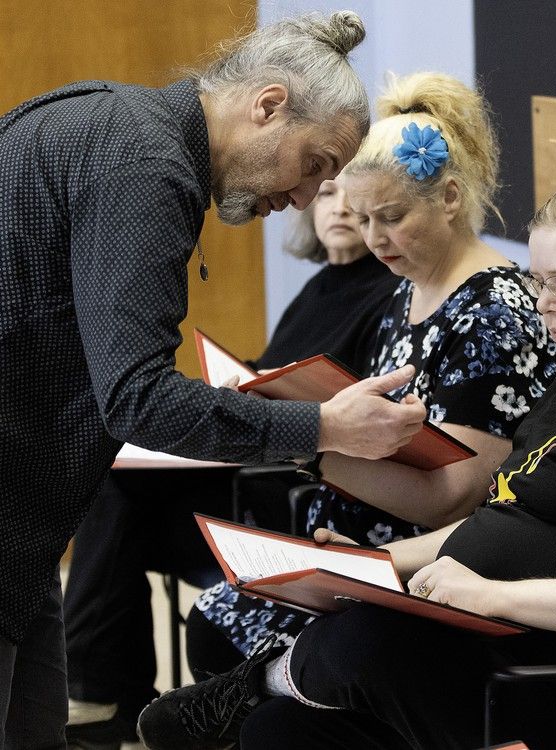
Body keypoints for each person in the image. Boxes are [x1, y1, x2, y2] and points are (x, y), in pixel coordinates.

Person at [136, 172, 556, 750]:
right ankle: (261, 693)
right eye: (539, 282)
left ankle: (258, 681)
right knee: (281, 733)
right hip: (501, 629)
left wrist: (490, 594)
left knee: (369, 641)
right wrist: (378, 565)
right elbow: (507, 519)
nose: (546, 306)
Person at [0, 10, 433, 748]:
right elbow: (137, 397)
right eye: (314, 165)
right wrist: (325, 426)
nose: (303, 198)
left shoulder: (111, 116)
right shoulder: (146, 165)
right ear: (267, 106)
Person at [181, 71, 556, 681]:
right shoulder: (406, 291)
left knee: (241, 660)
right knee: (213, 623)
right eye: (360, 218)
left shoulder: (495, 314)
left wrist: (310, 442)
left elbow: (453, 498)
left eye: (391, 216)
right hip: (354, 552)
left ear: (450, 198)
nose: (374, 239)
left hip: (425, 567)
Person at [63, 175, 398, 748]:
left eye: (354, 199)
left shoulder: (387, 293)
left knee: (118, 502)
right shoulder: (321, 285)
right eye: (324, 195)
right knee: (112, 488)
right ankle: (108, 695)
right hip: (252, 468)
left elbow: (346, 413)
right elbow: (274, 375)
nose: (340, 209)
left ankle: (104, 694)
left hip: (292, 488)